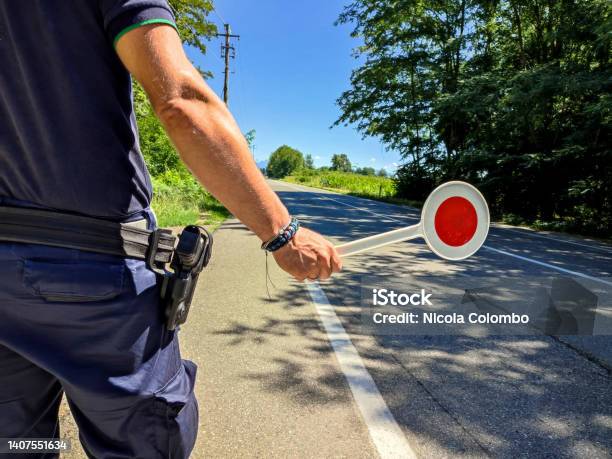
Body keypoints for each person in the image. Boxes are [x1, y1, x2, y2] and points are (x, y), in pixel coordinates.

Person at [0, 1, 341, 457]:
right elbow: (179, 101)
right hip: (93, 281)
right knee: (144, 444)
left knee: (18, 442)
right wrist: (282, 231)